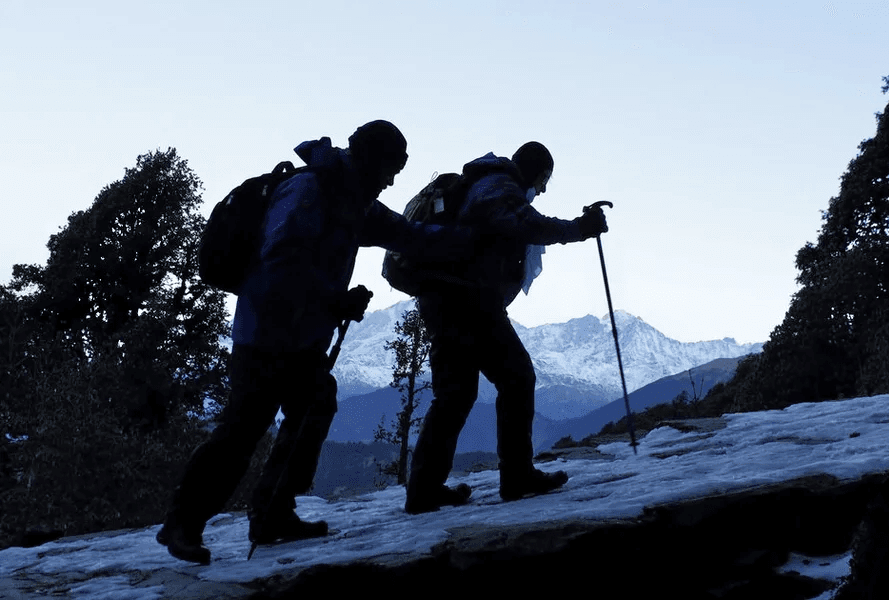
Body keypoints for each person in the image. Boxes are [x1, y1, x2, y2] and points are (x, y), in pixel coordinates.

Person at [157, 120, 472, 564]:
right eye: (392, 166)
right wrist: (335, 299)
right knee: (242, 430)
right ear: (369, 157)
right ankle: (183, 523)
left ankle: (271, 512)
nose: (393, 178)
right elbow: (280, 260)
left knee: (314, 405)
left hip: (301, 337)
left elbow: (409, 236)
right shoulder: (311, 190)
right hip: (264, 334)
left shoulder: (356, 200)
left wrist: (472, 240)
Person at [405, 142, 608, 514]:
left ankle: (423, 488)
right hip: (468, 300)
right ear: (535, 171)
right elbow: (529, 225)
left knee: (455, 394)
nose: (543, 189)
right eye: (545, 180)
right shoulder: (498, 187)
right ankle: (517, 476)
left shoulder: (486, 184)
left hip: (444, 298)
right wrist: (581, 229)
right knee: (516, 377)